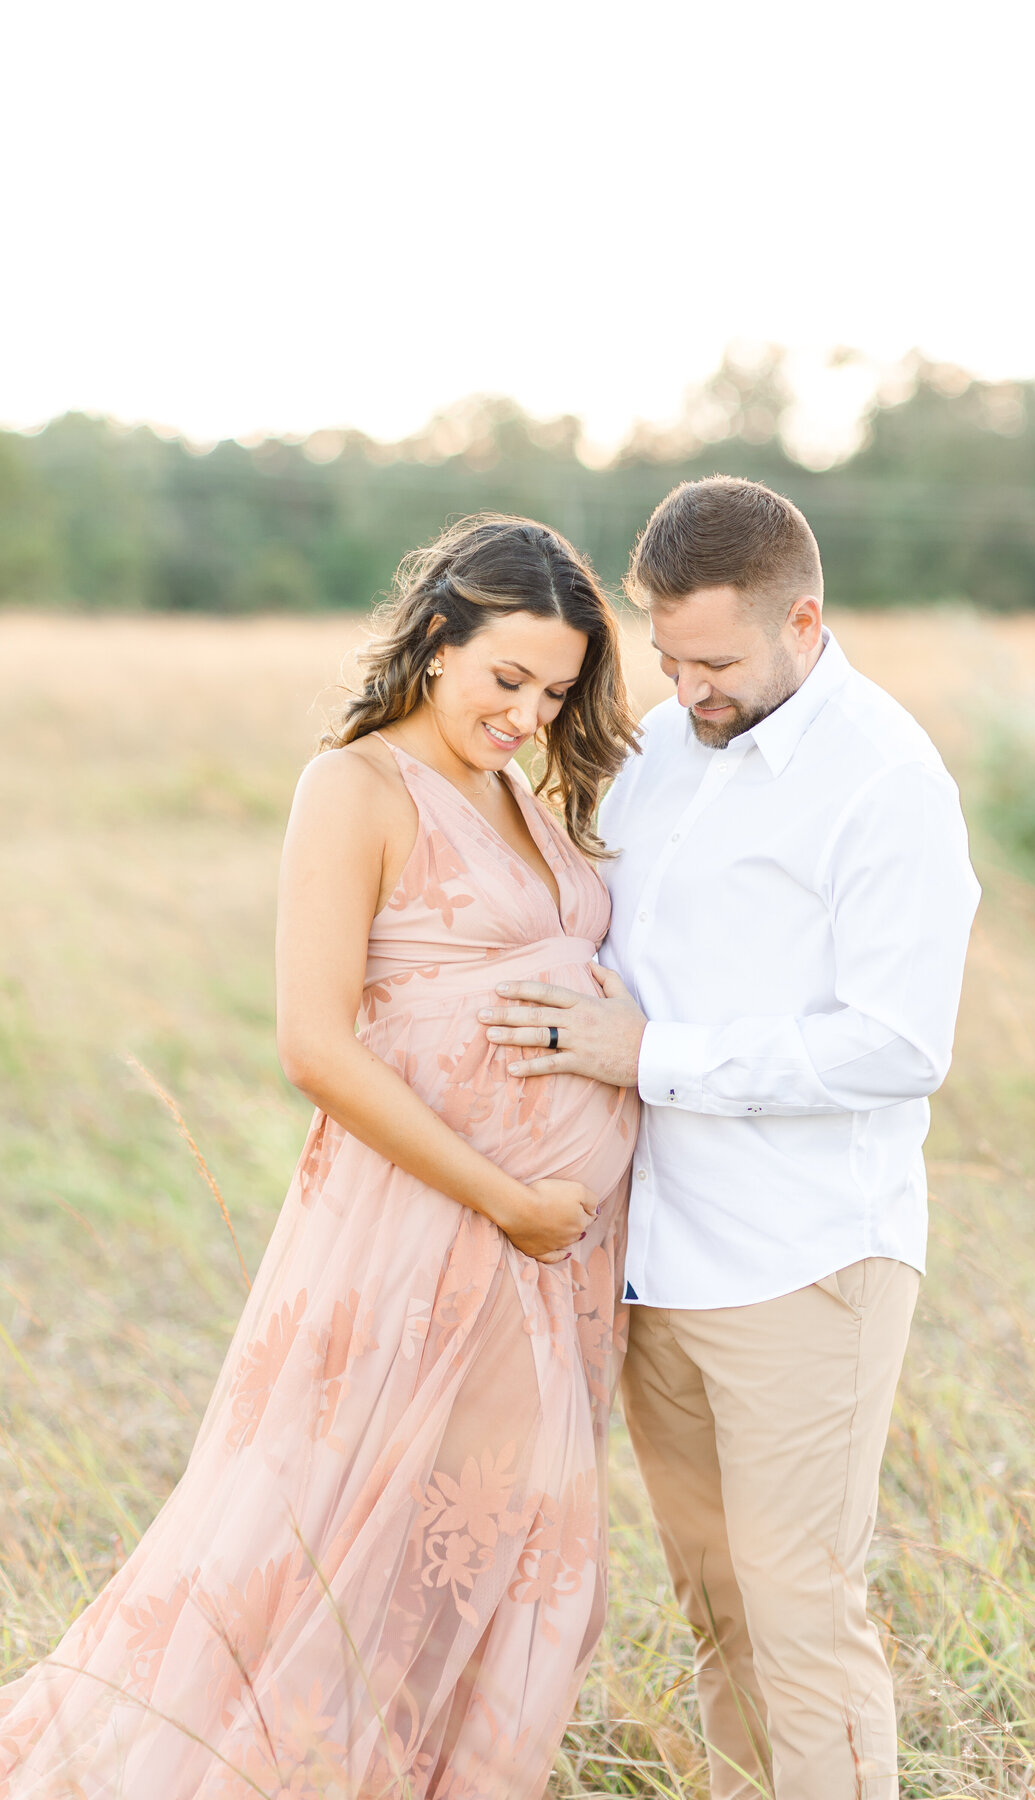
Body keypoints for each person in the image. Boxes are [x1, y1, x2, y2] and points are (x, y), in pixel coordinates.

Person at [0, 516, 641, 1800]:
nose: (526, 713)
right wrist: (508, 1197)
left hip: (550, 1248)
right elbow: (315, 1044)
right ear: (438, 638)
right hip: (440, 1222)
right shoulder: (353, 788)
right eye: (505, 678)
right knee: (367, 1538)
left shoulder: (514, 789)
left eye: (557, 690)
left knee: (496, 1545)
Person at [479, 477, 981, 1799]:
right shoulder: (655, 752)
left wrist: (654, 1059)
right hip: (655, 1261)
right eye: (666, 650)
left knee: (801, 1618)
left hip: (803, 1262)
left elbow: (896, 1042)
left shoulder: (885, 782)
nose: (686, 683)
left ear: (802, 620)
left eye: (715, 659)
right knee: (717, 1614)